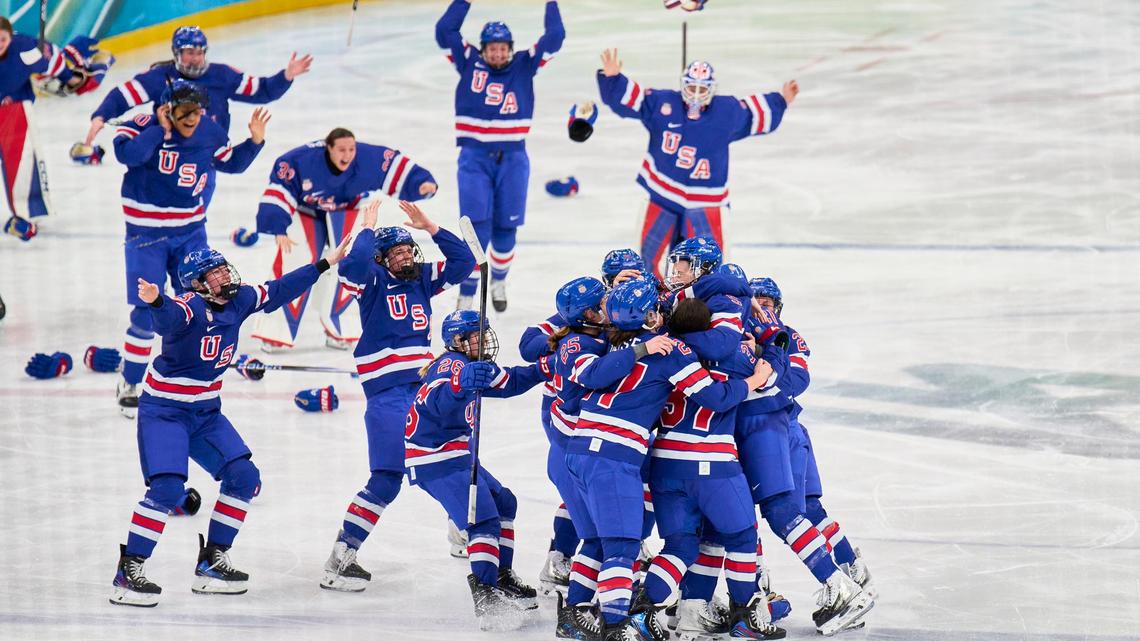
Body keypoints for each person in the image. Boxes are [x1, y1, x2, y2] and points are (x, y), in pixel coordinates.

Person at [109, 237, 351, 607]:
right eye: (216, 273)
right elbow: (167, 319)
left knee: (244, 477)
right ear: (198, 284)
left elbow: (279, 290)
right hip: (165, 412)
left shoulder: (239, 300)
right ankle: (130, 570)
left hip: (206, 412)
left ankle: (211, 562)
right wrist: (156, 301)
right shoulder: (189, 307)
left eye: (225, 269)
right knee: (167, 489)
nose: (225, 276)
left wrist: (324, 264)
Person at [561, 278, 771, 640]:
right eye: (656, 310)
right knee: (623, 546)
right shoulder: (670, 349)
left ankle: (575, 612)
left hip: (580, 449)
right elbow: (717, 397)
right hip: (619, 455)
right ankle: (616, 625)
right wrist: (757, 375)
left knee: (598, 540)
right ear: (648, 316)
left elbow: (581, 383)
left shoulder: (607, 341)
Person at [319, 199, 474, 592]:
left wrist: (432, 228)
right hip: (388, 395)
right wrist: (367, 230)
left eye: (409, 250)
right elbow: (351, 266)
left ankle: (463, 528)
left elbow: (464, 263)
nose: (406, 257)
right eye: (397, 252)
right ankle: (341, 556)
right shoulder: (370, 279)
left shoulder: (421, 278)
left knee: (457, 458)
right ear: (381, 258)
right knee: (387, 477)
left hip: (425, 391)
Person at [111, 80, 268, 418]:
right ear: (168, 109)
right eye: (185, 112)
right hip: (146, 236)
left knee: (201, 306)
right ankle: (131, 381)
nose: (193, 118)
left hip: (190, 234)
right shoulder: (142, 125)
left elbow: (231, 162)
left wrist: (254, 142)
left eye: (197, 111)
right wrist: (160, 131)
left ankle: (190, 379)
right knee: (145, 311)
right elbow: (128, 155)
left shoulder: (209, 131)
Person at [596, 49, 798, 280]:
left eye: (702, 89)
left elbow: (753, 113)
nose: (696, 94)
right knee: (649, 262)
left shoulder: (726, 111)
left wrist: (781, 100)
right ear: (683, 85)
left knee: (710, 267)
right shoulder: (663, 103)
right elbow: (634, 100)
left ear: (711, 89)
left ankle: (708, 302)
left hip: (707, 201)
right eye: (692, 87)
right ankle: (652, 300)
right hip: (663, 195)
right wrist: (613, 79)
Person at [404, 309, 547, 627]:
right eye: (477, 336)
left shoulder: (472, 364)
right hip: (435, 458)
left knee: (504, 502)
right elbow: (435, 402)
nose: (485, 341)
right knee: (483, 519)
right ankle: (485, 595)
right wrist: (458, 385)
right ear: (458, 340)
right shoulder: (452, 364)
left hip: (458, 454)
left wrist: (544, 369)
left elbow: (510, 381)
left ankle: (501, 576)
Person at [251, 128, 438, 351]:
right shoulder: (300, 161)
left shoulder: (366, 159)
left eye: (351, 149)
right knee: (296, 260)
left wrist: (422, 184)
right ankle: (276, 330)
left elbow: (395, 168)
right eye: (341, 149)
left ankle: (340, 324)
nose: (347, 155)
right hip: (306, 211)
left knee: (354, 262)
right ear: (328, 148)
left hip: (348, 210)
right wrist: (278, 226)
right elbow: (280, 189)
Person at [748, 277, 875, 601]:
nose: (761, 308)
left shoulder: (787, 336)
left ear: (778, 307)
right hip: (775, 431)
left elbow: (796, 380)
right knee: (785, 511)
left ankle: (846, 572)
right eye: (756, 302)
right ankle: (846, 571)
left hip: (782, 432)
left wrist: (762, 363)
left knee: (794, 510)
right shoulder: (739, 334)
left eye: (768, 303)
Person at [435, 0, 565, 311]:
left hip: (513, 158)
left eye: (502, 48)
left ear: (510, 48)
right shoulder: (468, 60)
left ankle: (499, 280)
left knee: (507, 227)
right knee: (476, 226)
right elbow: (444, 31)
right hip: (474, 158)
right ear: (482, 49)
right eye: (491, 48)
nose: (497, 53)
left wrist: (551, 3)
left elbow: (555, 36)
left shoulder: (525, 64)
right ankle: (467, 292)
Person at [84, 26, 308, 148]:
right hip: (171, 151)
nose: (197, 58)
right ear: (176, 53)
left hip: (210, 152)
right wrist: (101, 116)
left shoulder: (222, 75)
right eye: (190, 52)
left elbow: (261, 90)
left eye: (200, 52)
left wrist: (286, 76)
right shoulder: (159, 77)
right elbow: (122, 96)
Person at [1, 17, 100, 234]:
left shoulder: (25, 49)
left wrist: (70, 78)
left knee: (22, 162)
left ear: (10, 37)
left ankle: (27, 213)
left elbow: (52, 58)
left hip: (13, 111)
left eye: (3, 39)